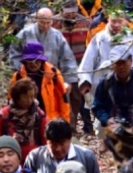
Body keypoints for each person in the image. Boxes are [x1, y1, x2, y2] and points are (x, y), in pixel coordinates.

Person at [24, 118, 101, 173]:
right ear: (46, 141)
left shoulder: (87, 157)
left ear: (70, 139)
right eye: (53, 144)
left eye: (62, 143)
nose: (58, 148)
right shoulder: (35, 157)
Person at [9, 7, 78, 90]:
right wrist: (22, 74)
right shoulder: (24, 34)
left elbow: (67, 59)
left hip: (51, 78)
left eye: (48, 22)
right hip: (27, 79)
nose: (45, 26)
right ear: (36, 19)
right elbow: (15, 56)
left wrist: (68, 81)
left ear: (52, 20)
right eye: (42, 22)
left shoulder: (57, 36)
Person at [0, 78, 47, 166]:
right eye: (25, 97)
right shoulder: (4, 115)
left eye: (32, 96)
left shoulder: (39, 115)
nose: (29, 100)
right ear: (17, 97)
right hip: (9, 160)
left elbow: (46, 138)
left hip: (35, 160)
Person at [52, 1, 93, 134]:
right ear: (62, 10)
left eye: (73, 10)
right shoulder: (54, 23)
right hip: (60, 68)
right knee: (62, 97)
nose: (71, 14)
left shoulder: (86, 22)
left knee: (77, 98)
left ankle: (74, 127)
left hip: (79, 66)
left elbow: (91, 44)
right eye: (68, 11)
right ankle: (65, 127)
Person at [10, 41, 70, 122]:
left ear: (41, 60)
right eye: (29, 60)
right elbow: (11, 101)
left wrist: (65, 121)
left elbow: (63, 99)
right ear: (25, 61)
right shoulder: (18, 77)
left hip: (51, 121)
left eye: (36, 60)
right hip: (25, 122)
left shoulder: (53, 73)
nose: (33, 64)